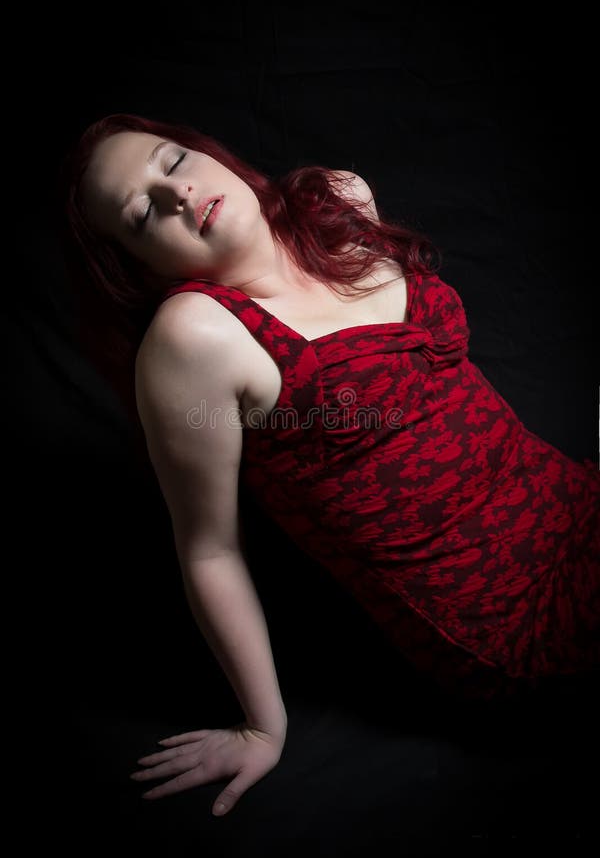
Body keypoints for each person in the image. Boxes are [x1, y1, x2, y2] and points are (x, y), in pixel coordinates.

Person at [61, 112, 600, 818]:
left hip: (572, 505)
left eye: (172, 161)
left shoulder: (339, 203)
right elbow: (210, 548)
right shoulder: (197, 336)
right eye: (142, 213)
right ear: (141, 267)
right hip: (507, 615)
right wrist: (263, 727)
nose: (177, 193)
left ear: (208, 154)